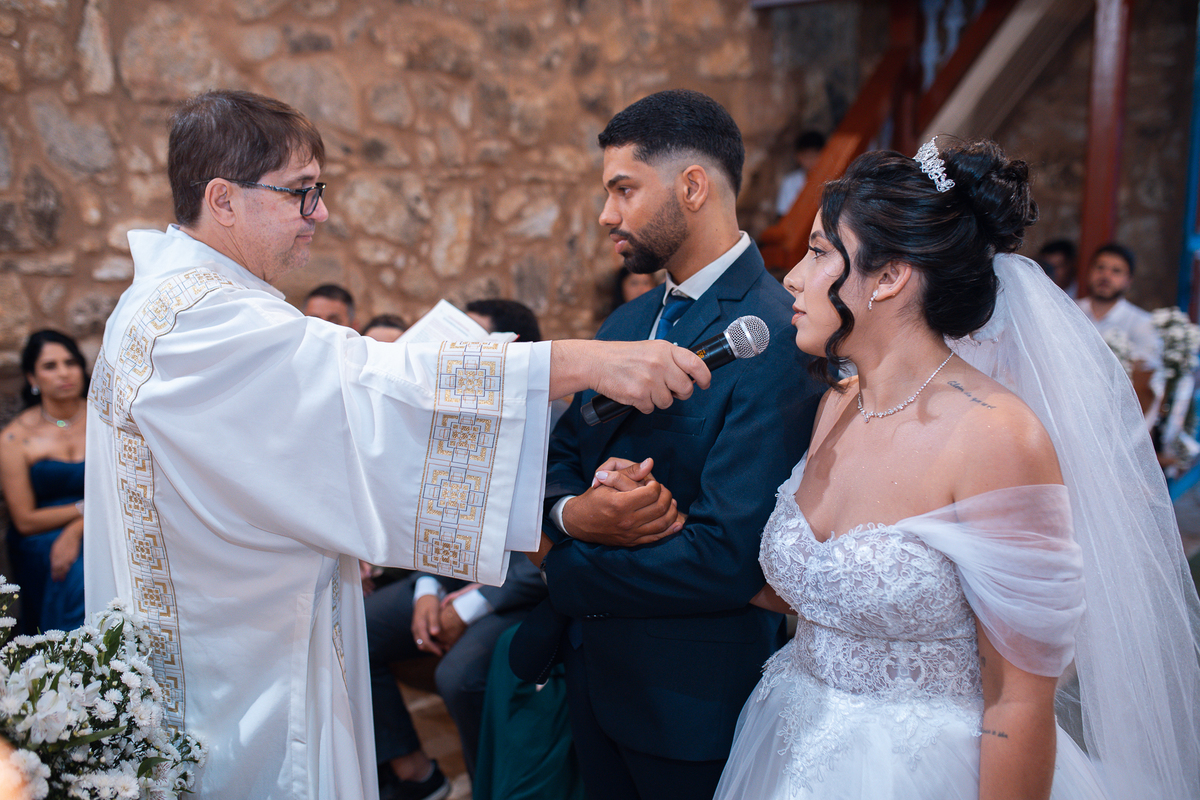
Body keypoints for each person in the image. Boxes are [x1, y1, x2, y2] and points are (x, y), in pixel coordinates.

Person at [82, 89, 710, 800]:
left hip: (236, 637)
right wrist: (583, 360)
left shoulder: (180, 303)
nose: (320, 213)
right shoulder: (197, 320)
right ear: (223, 199)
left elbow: (308, 427)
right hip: (239, 681)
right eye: (300, 191)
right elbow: (362, 390)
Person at [708, 138, 1200, 799]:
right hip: (785, 743)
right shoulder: (835, 406)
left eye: (819, 252)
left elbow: (1019, 700)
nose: (792, 278)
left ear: (889, 276)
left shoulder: (998, 438)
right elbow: (822, 592)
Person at [522, 89, 822, 800]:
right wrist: (575, 514)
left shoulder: (777, 334)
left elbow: (730, 556)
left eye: (623, 189)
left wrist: (564, 568)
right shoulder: (627, 322)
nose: (607, 214)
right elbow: (560, 457)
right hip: (592, 675)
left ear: (692, 187)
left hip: (690, 702)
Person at [0, 330, 88, 635]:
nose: (64, 373)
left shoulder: (107, 419)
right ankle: (70, 652)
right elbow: (25, 520)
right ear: (32, 378)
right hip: (42, 532)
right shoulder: (14, 437)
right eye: (50, 366)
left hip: (105, 518)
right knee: (76, 571)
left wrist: (79, 527)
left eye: (70, 362)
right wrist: (84, 509)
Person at [1076, 242, 1162, 415]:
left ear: (1128, 281)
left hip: (1115, 412)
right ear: (1089, 272)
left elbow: (1146, 376)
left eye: (1116, 271)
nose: (1105, 276)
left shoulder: (1142, 323)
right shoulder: (1068, 310)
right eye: (1100, 268)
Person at [775, 130, 826, 218]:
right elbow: (782, 213)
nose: (811, 161)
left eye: (814, 156)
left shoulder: (830, 179)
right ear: (798, 156)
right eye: (807, 157)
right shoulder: (790, 181)